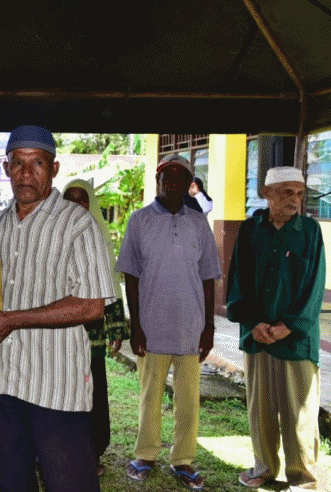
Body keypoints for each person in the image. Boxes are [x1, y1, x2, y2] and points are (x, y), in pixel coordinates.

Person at [0, 125, 114, 492]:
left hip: (56, 384)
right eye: (18, 163)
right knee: (8, 482)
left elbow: (92, 305)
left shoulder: (78, 224)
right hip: (2, 380)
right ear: (6, 168)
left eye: (38, 164)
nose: (26, 173)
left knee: (69, 484)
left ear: (55, 169)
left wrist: (11, 320)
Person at [116, 153, 221, 491]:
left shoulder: (199, 223)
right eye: (166, 175)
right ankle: (146, 454)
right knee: (150, 395)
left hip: (191, 326)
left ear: (188, 183)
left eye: (179, 175)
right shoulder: (140, 220)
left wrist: (209, 326)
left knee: (189, 398)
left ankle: (183, 459)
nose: (171, 181)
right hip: (151, 325)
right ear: (158, 181)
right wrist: (135, 325)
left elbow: (207, 278)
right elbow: (130, 275)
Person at [226, 166, 324, 491]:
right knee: (261, 410)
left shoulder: (309, 231)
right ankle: (264, 468)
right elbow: (237, 280)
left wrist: (288, 326)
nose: (295, 200)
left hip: (295, 341)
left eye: (299, 193)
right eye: (287, 193)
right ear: (266, 194)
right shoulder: (250, 230)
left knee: (300, 415)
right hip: (258, 338)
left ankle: (303, 479)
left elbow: (313, 287)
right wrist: (253, 323)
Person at [62, 178, 128, 477]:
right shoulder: (51, 234)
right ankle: (58, 453)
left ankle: (92, 452)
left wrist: (116, 329)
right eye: (71, 198)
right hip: (57, 336)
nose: (78, 204)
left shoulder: (99, 236)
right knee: (58, 394)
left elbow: (111, 285)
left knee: (92, 393)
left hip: (92, 337)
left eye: (83, 199)